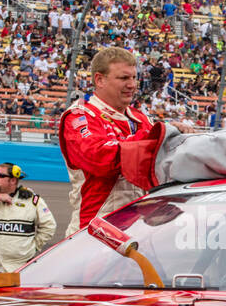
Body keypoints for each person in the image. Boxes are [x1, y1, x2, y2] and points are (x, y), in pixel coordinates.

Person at [57, 47, 155, 234]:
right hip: (94, 231)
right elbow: (101, 159)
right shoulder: (79, 116)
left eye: (134, 78)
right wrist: (153, 138)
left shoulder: (140, 118)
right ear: (99, 80)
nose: (132, 85)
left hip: (137, 229)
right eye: (124, 78)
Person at [0, 162, 57, 277]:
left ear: (13, 180)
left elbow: (49, 226)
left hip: (16, 266)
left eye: (1, 176)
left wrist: (33, 247)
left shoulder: (32, 201)